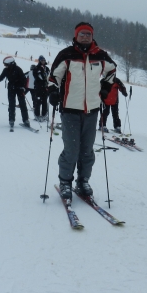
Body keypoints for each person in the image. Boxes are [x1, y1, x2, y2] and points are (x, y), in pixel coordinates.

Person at [47, 22, 116, 200]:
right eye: (82, 34)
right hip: (70, 109)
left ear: (92, 36)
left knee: (87, 150)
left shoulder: (100, 55)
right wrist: (53, 91)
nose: (85, 37)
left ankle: (83, 181)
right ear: (76, 36)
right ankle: (65, 182)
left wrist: (106, 88)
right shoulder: (67, 54)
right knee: (71, 149)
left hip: (92, 110)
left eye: (88, 34)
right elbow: (53, 76)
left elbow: (111, 71)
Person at [0, 56, 29, 129]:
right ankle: (11, 120)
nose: (5, 66)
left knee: (22, 104)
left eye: (6, 64)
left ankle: (26, 120)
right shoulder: (6, 70)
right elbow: (2, 77)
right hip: (11, 88)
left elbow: (24, 79)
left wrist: (22, 87)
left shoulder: (18, 69)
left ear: (10, 63)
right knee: (11, 104)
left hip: (19, 88)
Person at [32, 55, 50, 122]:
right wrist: (44, 77)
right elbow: (38, 77)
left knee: (44, 101)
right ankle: (37, 115)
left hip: (45, 88)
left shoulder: (47, 68)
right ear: (39, 61)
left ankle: (44, 115)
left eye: (44, 60)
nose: (43, 61)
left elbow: (49, 76)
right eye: (42, 60)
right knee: (38, 101)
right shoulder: (37, 68)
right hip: (38, 87)